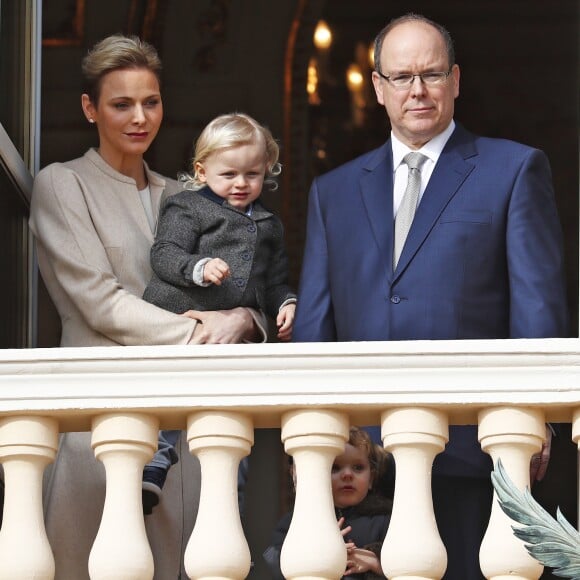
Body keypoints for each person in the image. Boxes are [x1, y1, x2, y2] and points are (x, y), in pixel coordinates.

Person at [292, 13, 568, 580]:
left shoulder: (512, 169)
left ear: (456, 80)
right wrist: (310, 442)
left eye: (431, 74)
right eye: (401, 77)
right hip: (361, 470)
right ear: (377, 88)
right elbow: (316, 329)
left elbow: (538, 310)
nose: (417, 90)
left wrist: (539, 419)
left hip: (473, 454)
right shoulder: (334, 191)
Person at [29, 34, 267, 579]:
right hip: (99, 426)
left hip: (186, 437)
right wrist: (207, 333)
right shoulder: (63, 185)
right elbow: (100, 303)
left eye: (152, 101)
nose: (140, 117)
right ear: (90, 109)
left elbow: (245, 290)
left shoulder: (185, 197)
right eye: (121, 104)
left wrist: (245, 321)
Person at [142, 112, 296, 512]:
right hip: (183, 317)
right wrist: (198, 267)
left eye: (253, 174)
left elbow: (275, 280)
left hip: (230, 341)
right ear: (201, 170)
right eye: (229, 174)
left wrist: (286, 303)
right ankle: (154, 462)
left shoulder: (269, 224)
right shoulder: (187, 208)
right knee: (168, 392)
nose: (242, 184)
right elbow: (164, 253)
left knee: (226, 420)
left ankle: (231, 498)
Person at [263, 426, 393, 579]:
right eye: (335, 468)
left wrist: (375, 562)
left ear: (371, 478)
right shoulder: (299, 520)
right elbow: (275, 561)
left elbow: (410, 565)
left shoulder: (385, 520)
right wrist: (320, 551)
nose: (347, 475)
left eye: (358, 467)